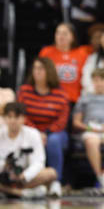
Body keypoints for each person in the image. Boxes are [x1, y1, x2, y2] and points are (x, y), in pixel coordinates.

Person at [17, 57, 70, 197]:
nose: (37, 72)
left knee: (53, 141)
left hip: (54, 133)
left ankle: (55, 182)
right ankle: (30, 182)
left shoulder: (61, 95)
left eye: (41, 68)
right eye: (35, 68)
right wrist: (35, 133)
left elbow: (62, 121)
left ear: (49, 71)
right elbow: (21, 115)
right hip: (29, 131)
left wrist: (46, 133)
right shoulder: (24, 91)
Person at [72, 68, 104, 195]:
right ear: (92, 81)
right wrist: (90, 128)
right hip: (91, 130)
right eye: (96, 80)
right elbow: (76, 122)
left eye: (102, 80)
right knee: (92, 142)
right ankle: (100, 176)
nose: (99, 83)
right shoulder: (84, 99)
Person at [0, 102, 58, 198]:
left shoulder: (33, 134)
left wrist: (24, 175)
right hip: (3, 176)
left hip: (25, 177)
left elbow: (39, 162)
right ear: (4, 118)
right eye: (9, 117)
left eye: (16, 117)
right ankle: (23, 193)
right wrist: (5, 170)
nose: (12, 121)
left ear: (23, 118)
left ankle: (11, 192)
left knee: (51, 173)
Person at [38, 23, 91, 104]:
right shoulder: (46, 52)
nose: (60, 36)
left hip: (74, 100)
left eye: (65, 34)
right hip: (50, 98)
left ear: (73, 37)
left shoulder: (83, 53)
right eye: (58, 33)